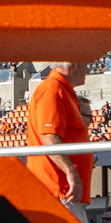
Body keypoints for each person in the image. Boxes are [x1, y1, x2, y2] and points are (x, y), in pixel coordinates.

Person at [22, 60, 92, 203]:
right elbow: (48, 136)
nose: (88, 69)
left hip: (65, 191)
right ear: (75, 63)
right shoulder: (53, 89)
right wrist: (71, 172)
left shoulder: (60, 89)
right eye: (86, 63)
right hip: (59, 190)